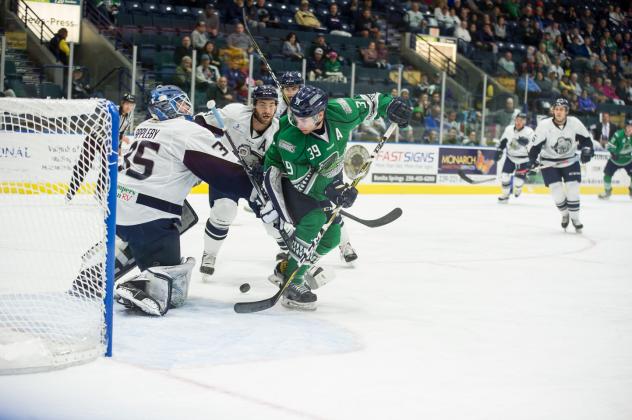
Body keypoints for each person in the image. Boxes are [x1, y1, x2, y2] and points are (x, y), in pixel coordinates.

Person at [262, 86, 412, 310]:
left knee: (332, 236)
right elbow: (302, 182)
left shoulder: (341, 112)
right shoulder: (290, 138)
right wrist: (335, 190)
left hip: (323, 177)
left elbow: (372, 102)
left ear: (320, 114)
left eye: (304, 118)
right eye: (295, 115)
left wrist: (391, 106)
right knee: (313, 221)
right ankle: (294, 282)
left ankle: (290, 269)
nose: (297, 122)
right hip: (283, 175)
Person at [115, 85, 254, 316]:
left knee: (180, 219)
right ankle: (144, 285)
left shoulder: (144, 126)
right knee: (175, 291)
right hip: (149, 217)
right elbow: (229, 172)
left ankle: (110, 258)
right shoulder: (187, 130)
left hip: (119, 207)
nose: (186, 108)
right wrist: (254, 185)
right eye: (180, 103)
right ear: (164, 107)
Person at [194, 85, 284, 278]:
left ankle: (289, 254)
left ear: (276, 107)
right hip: (226, 173)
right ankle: (209, 254)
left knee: (273, 219)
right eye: (262, 104)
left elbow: (281, 161)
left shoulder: (280, 130)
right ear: (253, 105)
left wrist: (268, 168)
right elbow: (199, 123)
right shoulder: (234, 114)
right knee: (224, 210)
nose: (267, 110)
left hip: (256, 181)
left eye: (271, 105)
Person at [528, 98, 594, 232]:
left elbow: (587, 141)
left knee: (573, 190)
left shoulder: (574, 123)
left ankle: (575, 218)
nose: (558, 112)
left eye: (562, 109)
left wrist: (587, 150)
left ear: (567, 112)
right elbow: (534, 147)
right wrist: (532, 161)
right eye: (556, 109)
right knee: (557, 192)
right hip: (549, 162)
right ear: (553, 110)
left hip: (569, 161)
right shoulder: (544, 125)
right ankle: (565, 215)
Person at [494, 112, 535, 203]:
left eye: (521, 120)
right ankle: (505, 195)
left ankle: (518, 188)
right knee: (505, 176)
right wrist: (500, 150)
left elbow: (534, 147)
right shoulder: (508, 129)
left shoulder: (530, 132)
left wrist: (532, 160)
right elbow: (503, 141)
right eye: (517, 120)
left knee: (518, 181)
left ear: (525, 122)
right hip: (510, 158)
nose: (518, 122)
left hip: (523, 160)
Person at [598, 119, 632, 200]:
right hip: (615, 160)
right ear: (625, 127)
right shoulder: (618, 135)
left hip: (628, 160)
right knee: (607, 176)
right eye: (629, 127)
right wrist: (613, 154)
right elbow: (609, 146)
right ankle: (607, 192)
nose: (631, 129)